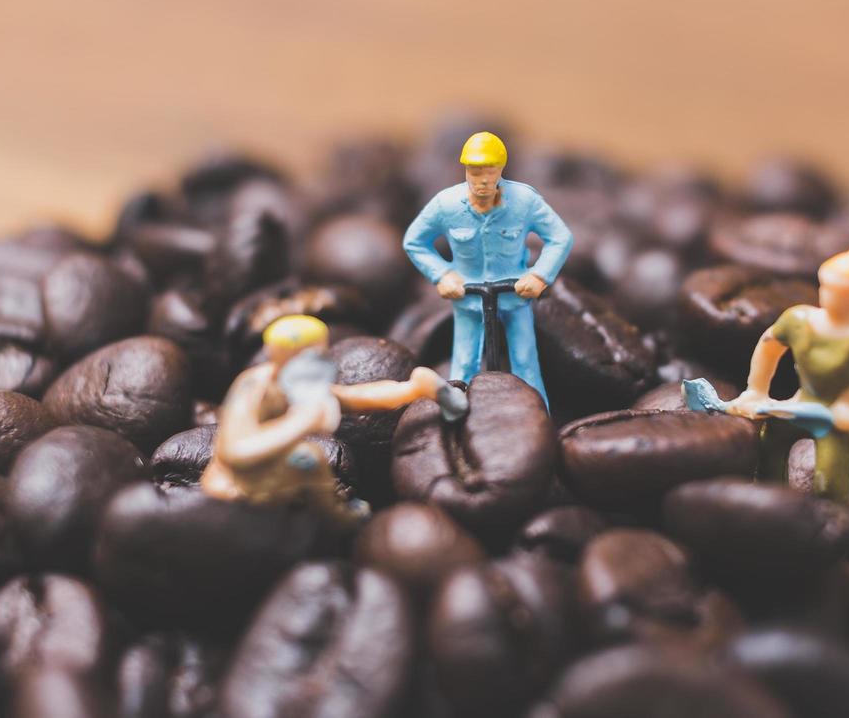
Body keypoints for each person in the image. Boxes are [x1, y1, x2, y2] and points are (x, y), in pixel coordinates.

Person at [703, 248, 849, 503]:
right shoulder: (800, 319)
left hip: (836, 423)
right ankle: (769, 507)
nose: (836, 298)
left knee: (830, 488)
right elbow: (769, 343)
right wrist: (755, 390)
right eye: (830, 288)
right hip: (798, 406)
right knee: (770, 448)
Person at [200, 314, 461, 522]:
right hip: (235, 488)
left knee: (309, 460)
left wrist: (412, 390)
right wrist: (299, 423)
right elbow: (235, 452)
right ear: (279, 356)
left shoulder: (299, 383)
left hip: (273, 472)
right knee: (309, 459)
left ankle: (339, 519)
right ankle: (342, 520)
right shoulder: (255, 388)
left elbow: (353, 398)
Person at [402, 131, 573, 409]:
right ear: (465, 170)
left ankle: (537, 418)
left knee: (525, 362)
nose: (481, 181)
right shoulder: (446, 205)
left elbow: (560, 237)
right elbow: (414, 241)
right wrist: (442, 274)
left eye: (488, 173)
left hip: (515, 295)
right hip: (468, 299)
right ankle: (457, 417)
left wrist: (539, 275)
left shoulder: (524, 202)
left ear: (501, 170)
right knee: (464, 363)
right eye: (474, 172)